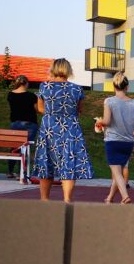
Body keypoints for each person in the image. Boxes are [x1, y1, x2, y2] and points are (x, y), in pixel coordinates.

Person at [32, 58, 92, 203]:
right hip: (70, 129)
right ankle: (67, 199)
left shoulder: (45, 86)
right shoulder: (77, 89)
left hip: (49, 128)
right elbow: (79, 110)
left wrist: (52, 113)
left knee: (46, 162)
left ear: (53, 69)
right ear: (68, 70)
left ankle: (44, 199)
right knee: (69, 162)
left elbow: (41, 108)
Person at [95, 72, 134, 204]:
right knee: (118, 172)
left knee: (116, 172)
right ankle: (110, 197)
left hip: (113, 140)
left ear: (114, 86)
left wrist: (99, 121)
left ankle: (125, 196)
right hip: (128, 142)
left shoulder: (109, 101)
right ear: (127, 87)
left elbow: (106, 121)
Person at [7, 75, 38, 182]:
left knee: (14, 147)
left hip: (15, 124)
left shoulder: (10, 95)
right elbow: (37, 109)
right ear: (26, 83)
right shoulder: (31, 96)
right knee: (25, 148)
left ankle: (10, 171)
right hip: (30, 124)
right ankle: (21, 173)